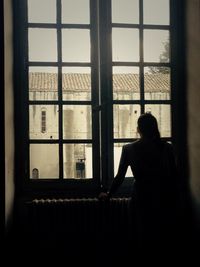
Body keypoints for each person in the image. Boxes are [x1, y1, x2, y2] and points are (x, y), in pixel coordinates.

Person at [99, 112, 178, 250]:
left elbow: (120, 176)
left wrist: (109, 194)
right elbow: (174, 177)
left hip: (141, 197)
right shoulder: (167, 148)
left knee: (140, 237)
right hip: (162, 197)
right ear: (155, 128)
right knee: (161, 238)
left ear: (138, 129)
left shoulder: (129, 149)